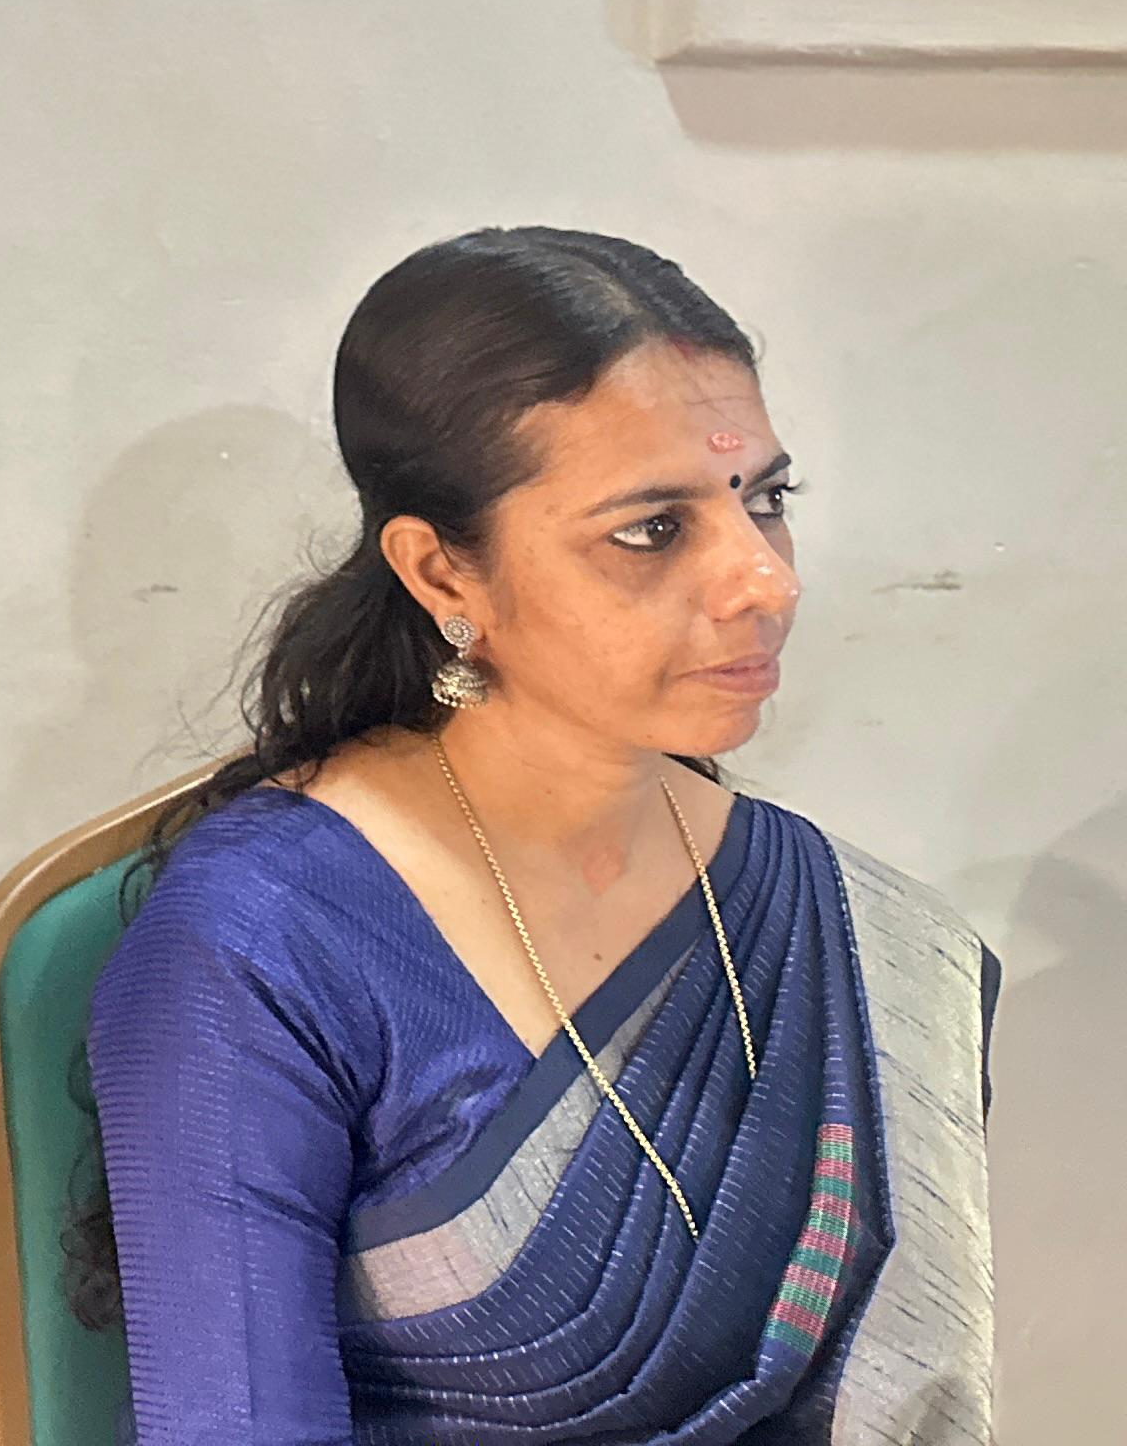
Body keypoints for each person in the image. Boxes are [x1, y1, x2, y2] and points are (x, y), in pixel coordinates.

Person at [85, 228, 996, 1444]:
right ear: (442, 574)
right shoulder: (267, 937)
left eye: (764, 501)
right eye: (653, 529)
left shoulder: (864, 940)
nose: (765, 582)